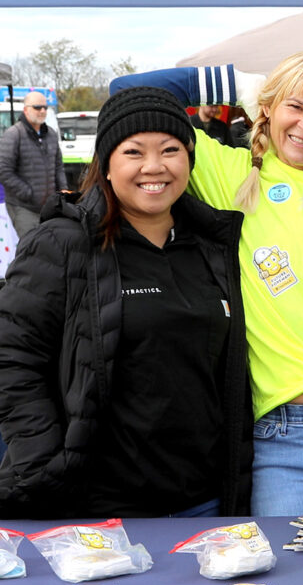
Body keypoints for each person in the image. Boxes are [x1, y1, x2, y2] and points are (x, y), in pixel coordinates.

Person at [111, 52, 303, 516]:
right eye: (295, 106)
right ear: (266, 109)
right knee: (290, 582)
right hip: (278, 435)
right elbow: (129, 94)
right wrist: (237, 82)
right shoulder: (230, 173)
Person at [0, 87, 252, 519]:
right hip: (98, 511)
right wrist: (45, 461)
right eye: (134, 151)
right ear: (107, 165)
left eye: (171, 149)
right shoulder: (64, 242)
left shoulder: (213, 244)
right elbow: (12, 357)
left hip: (205, 504)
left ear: (189, 160)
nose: (154, 166)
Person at [0, 91, 67, 238]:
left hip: (48, 207)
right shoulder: (14, 134)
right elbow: (3, 170)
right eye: (37, 107)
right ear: (26, 109)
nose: (42, 111)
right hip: (23, 207)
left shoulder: (50, 134)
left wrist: (63, 191)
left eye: (45, 107)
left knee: (49, 247)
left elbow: (58, 167)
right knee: (31, 250)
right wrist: (27, 193)